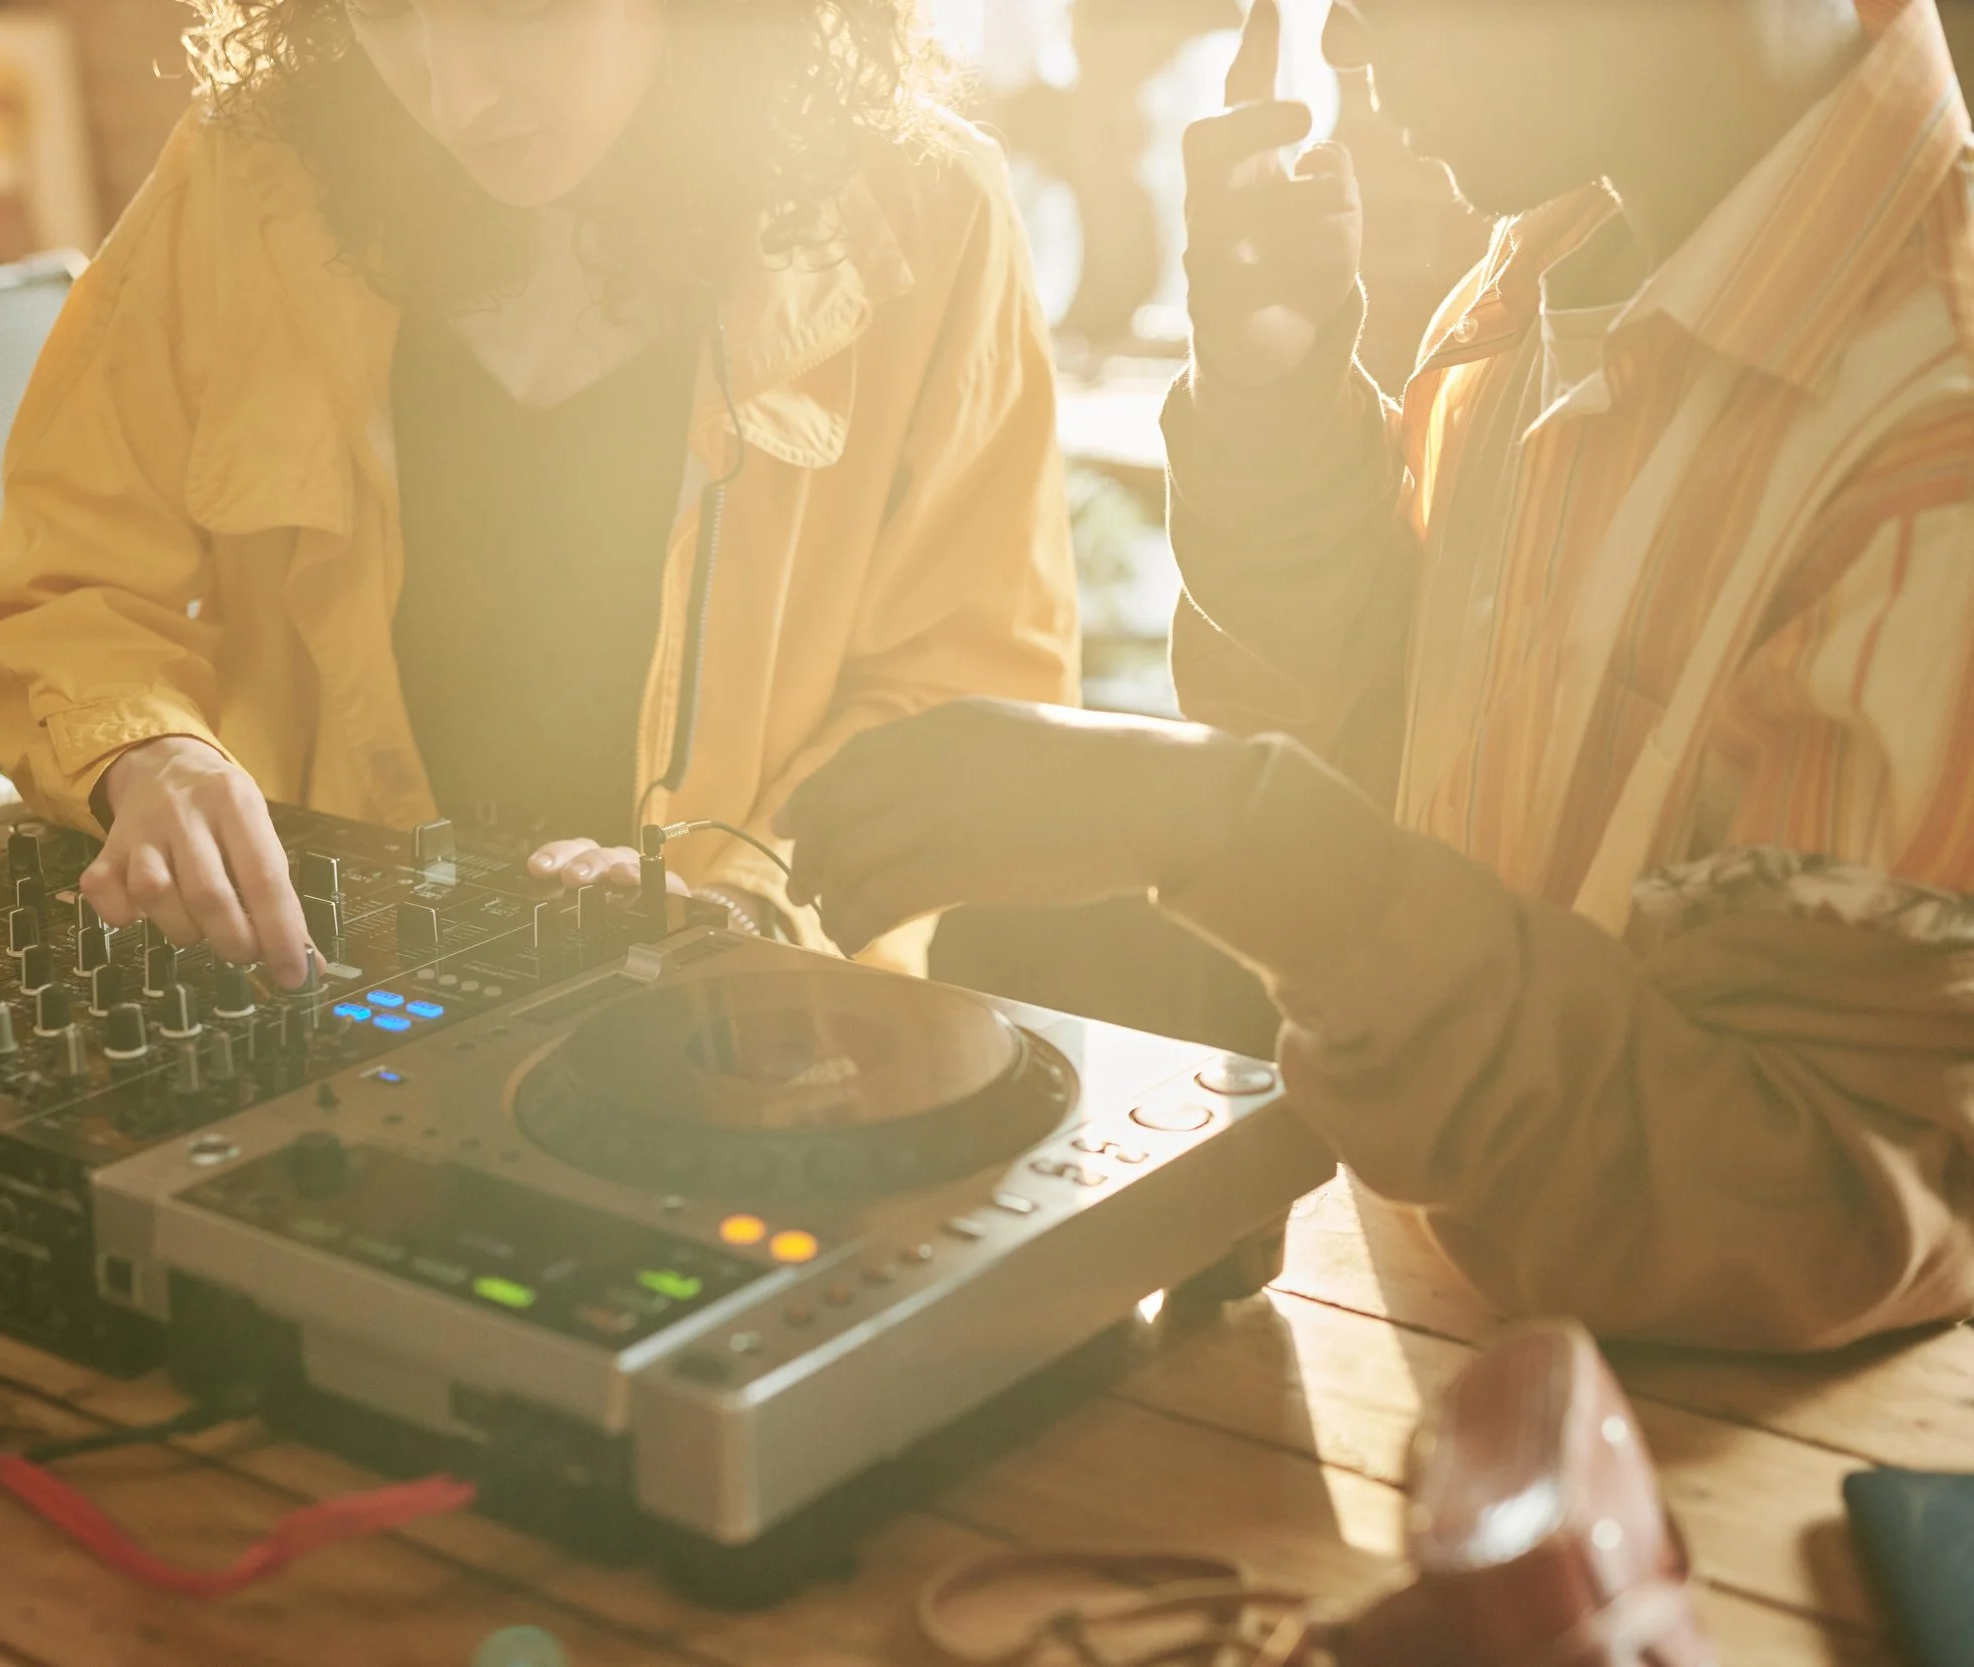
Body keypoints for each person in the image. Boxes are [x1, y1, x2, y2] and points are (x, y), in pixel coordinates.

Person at [780, 0, 1974, 1351]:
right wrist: (1279, 414)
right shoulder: (1549, 280)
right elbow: (1408, 788)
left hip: (1704, 1449)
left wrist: (1218, 819)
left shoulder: (1936, 440)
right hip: (1449, 1326)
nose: (1346, 42)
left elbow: (1801, 1213)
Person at [0, 0, 1079, 990]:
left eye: (512, 7)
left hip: (759, 1035)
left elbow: (963, 691)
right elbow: (54, 598)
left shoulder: (931, 212)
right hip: (330, 985)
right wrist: (146, 753)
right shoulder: (242, 177)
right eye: (380, 9)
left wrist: (743, 895)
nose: (454, 92)